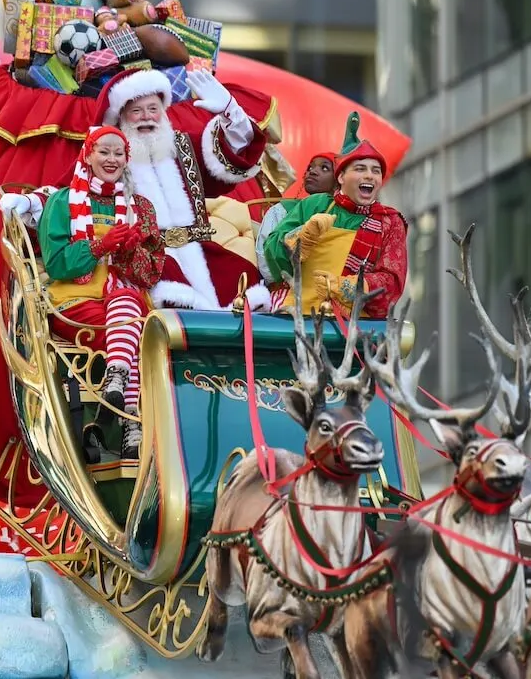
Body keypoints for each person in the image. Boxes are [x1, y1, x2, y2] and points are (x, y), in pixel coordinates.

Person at [91, 68, 272, 311]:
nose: (146, 116)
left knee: (244, 277)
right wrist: (31, 204)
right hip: (145, 258)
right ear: (121, 117)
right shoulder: (107, 159)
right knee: (170, 290)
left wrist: (230, 111)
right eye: (136, 111)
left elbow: (235, 151)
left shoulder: (185, 147)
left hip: (200, 250)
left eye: (153, 109)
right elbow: (70, 193)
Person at [36, 126, 165, 460]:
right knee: (139, 333)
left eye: (118, 153)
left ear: (127, 158)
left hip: (124, 304)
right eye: (103, 151)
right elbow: (57, 264)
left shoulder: (141, 208)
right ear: (88, 154)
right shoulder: (62, 201)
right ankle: (131, 425)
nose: (111, 159)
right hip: (76, 305)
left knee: (131, 306)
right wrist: (99, 247)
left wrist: (128, 251)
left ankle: (117, 380)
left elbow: (150, 272)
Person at [264, 112, 408, 318]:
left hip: (354, 329)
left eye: (376, 171)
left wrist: (346, 287)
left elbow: (392, 283)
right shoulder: (315, 204)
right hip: (297, 317)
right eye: (360, 169)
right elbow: (272, 254)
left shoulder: (390, 222)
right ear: (341, 177)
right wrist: (299, 240)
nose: (369, 175)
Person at [254, 151, 337, 286]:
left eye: (325, 168)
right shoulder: (281, 210)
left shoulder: (345, 216)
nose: (313, 172)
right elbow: (265, 264)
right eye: (310, 168)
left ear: (340, 179)